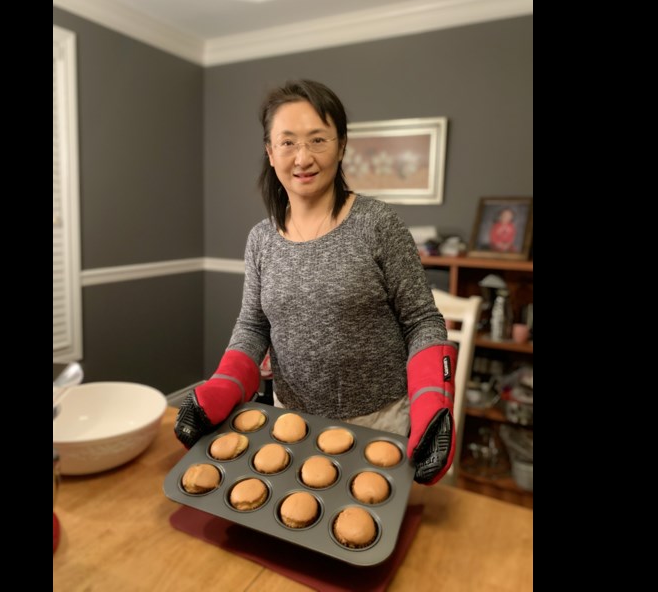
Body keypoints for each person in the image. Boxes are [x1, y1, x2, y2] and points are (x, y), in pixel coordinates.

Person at [174, 79, 458, 485]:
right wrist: (222, 385)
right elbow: (253, 326)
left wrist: (432, 401)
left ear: (341, 146)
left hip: (381, 422)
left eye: (317, 140)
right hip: (292, 420)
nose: (302, 157)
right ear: (270, 152)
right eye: (287, 142)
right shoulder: (261, 239)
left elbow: (422, 321)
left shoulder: (378, 225)